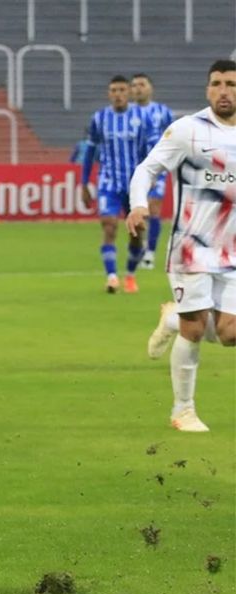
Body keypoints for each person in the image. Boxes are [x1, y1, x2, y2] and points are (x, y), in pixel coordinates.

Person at [127, 59, 236, 433]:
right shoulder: (189, 130)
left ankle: (172, 316)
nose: (225, 91)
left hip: (232, 253)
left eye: (232, 84)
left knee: (230, 334)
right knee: (195, 330)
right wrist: (139, 203)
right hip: (190, 249)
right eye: (218, 84)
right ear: (208, 89)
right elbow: (147, 169)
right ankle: (182, 410)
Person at [80, 75, 149, 294]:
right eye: (113, 90)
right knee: (109, 225)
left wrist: (151, 182)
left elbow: (149, 153)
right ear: (108, 94)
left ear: (128, 92)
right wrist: (84, 183)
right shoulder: (99, 119)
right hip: (108, 182)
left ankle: (130, 274)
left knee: (136, 232)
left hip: (135, 184)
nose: (118, 94)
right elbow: (89, 153)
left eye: (121, 90)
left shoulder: (141, 118)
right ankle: (111, 277)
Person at [131, 73, 176, 270]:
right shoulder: (127, 113)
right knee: (136, 209)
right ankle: (138, 247)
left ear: (150, 88)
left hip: (157, 167)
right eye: (134, 85)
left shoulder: (163, 112)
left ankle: (150, 252)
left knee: (154, 206)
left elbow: (175, 138)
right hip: (131, 168)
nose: (138, 88)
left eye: (141, 84)